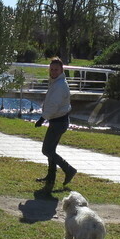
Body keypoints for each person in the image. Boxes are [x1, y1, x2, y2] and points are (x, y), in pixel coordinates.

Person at [34, 57, 76, 192]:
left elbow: (53, 106)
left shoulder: (59, 85)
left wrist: (42, 119)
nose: (53, 71)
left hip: (59, 122)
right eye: (51, 69)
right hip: (58, 121)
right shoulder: (57, 82)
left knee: (46, 150)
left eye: (56, 69)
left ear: (61, 70)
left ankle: (68, 169)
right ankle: (51, 177)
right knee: (51, 150)